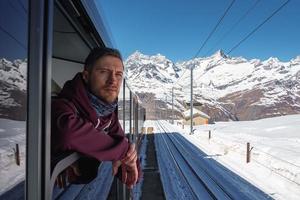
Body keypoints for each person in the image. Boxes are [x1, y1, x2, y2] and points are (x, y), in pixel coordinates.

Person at [51, 47, 141, 189]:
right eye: (104, 72)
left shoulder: (109, 112)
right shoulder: (63, 104)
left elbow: (121, 142)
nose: (113, 81)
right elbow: (68, 133)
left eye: (118, 74)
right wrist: (122, 151)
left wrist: (130, 161)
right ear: (86, 76)